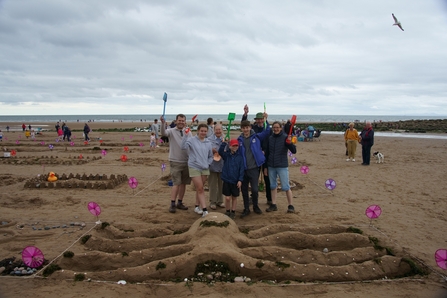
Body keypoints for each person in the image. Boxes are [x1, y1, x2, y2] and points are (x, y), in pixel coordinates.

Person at [237, 120, 271, 218]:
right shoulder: (239, 140)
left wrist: (266, 120)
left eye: (247, 127)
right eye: (243, 128)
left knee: (255, 190)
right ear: (241, 129)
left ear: (250, 127)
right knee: (244, 190)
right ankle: (246, 208)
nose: (245, 130)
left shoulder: (256, 137)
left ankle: (255, 206)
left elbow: (267, 131)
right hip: (243, 169)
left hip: (254, 168)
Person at [241, 104, 273, 205]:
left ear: (263, 119)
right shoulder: (253, 128)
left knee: (267, 177)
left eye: (261, 119)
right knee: (253, 178)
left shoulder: (267, 127)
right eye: (258, 119)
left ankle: (269, 198)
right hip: (255, 157)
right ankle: (253, 198)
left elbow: (268, 132)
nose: (259, 121)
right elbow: (244, 124)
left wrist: (266, 120)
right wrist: (245, 114)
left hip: (266, 156)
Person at [181, 123, 213, 217]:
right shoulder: (191, 140)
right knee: (200, 188)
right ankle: (204, 210)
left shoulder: (208, 142)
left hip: (205, 168)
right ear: (198, 131)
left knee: (200, 188)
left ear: (207, 132)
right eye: (201, 131)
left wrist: (208, 163)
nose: (203, 133)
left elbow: (210, 156)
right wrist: (185, 135)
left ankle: (196, 206)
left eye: (205, 131)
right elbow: (183, 147)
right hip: (194, 166)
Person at [160, 114, 190, 213]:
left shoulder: (188, 132)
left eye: (183, 120)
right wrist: (163, 123)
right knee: (176, 183)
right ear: (176, 121)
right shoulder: (171, 131)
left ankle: (180, 202)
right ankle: (172, 203)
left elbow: (192, 144)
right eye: (179, 120)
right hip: (175, 161)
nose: (181, 122)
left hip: (186, 161)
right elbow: (163, 133)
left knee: (183, 184)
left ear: (185, 122)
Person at [264, 122, 297, 213]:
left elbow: (294, 150)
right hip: (271, 166)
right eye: (274, 127)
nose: (275, 129)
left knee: (286, 186)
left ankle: (290, 205)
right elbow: (267, 154)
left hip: (282, 166)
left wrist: (290, 143)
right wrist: (265, 167)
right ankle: (273, 204)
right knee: (273, 186)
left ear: (281, 128)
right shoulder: (270, 138)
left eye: (277, 127)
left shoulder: (285, 137)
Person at [219, 138, 244, 219]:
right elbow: (220, 151)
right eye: (233, 145)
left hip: (235, 180)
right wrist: (224, 143)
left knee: (234, 197)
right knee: (227, 198)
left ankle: (233, 211)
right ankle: (227, 210)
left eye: (236, 145)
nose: (235, 147)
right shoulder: (226, 155)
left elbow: (241, 169)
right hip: (227, 179)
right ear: (230, 146)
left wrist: (240, 180)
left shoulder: (240, 157)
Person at [208, 124, 224, 210]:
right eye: (216, 130)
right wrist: (211, 150)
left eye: (219, 130)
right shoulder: (209, 139)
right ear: (214, 130)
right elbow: (205, 149)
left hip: (222, 164)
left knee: (221, 184)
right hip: (212, 164)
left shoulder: (225, 138)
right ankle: (212, 201)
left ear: (222, 130)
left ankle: (220, 201)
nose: (218, 131)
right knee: (213, 184)